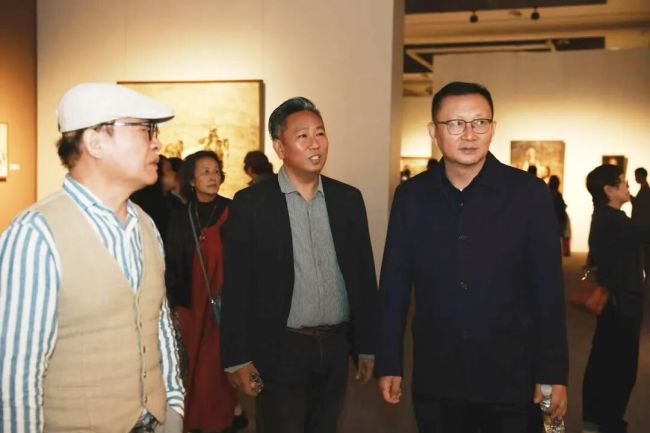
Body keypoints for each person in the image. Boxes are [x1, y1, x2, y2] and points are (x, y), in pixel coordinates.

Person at [376, 81, 568, 433]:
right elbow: (394, 285)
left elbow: (548, 292)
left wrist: (553, 372)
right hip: (438, 376)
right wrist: (389, 361)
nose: (469, 134)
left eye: (480, 122)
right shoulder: (412, 197)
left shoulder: (529, 195)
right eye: (455, 124)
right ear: (433, 131)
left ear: (493, 128)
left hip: (512, 376)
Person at [0, 82, 184, 432]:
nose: (156, 143)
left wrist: (173, 404)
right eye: (145, 130)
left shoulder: (145, 224)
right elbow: (15, 379)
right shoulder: (36, 235)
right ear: (95, 142)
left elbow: (159, 321)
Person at [220, 96, 378, 433]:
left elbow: (363, 276)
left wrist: (367, 345)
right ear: (280, 147)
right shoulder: (252, 204)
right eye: (302, 136)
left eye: (320, 133)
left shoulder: (348, 199)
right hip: (280, 347)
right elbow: (235, 286)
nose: (315, 143)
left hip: (335, 346)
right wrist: (237, 357)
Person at [165, 150, 237, 433]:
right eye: (205, 171)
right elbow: (172, 260)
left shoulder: (233, 212)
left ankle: (222, 420)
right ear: (192, 180)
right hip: (191, 304)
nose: (212, 176)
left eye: (216, 171)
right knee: (191, 364)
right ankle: (193, 421)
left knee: (217, 365)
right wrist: (172, 300)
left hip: (225, 303)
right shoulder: (181, 216)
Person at [583, 164, 650, 433]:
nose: (627, 185)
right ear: (609, 190)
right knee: (620, 367)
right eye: (622, 181)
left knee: (605, 361)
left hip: (617, 302)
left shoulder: (606, 217)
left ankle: (597, 419)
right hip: (621, 304)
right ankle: (608, 422)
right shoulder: (613, 220)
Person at [631, 167, 650, 285]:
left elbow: (638, 205)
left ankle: (646, 278)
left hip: (644, 227)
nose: (635, 178)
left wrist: (628, 194)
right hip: (644, 227)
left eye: (636, 175)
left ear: (641, 176)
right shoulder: (644, 189)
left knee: (644, 254)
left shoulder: (646, 190)